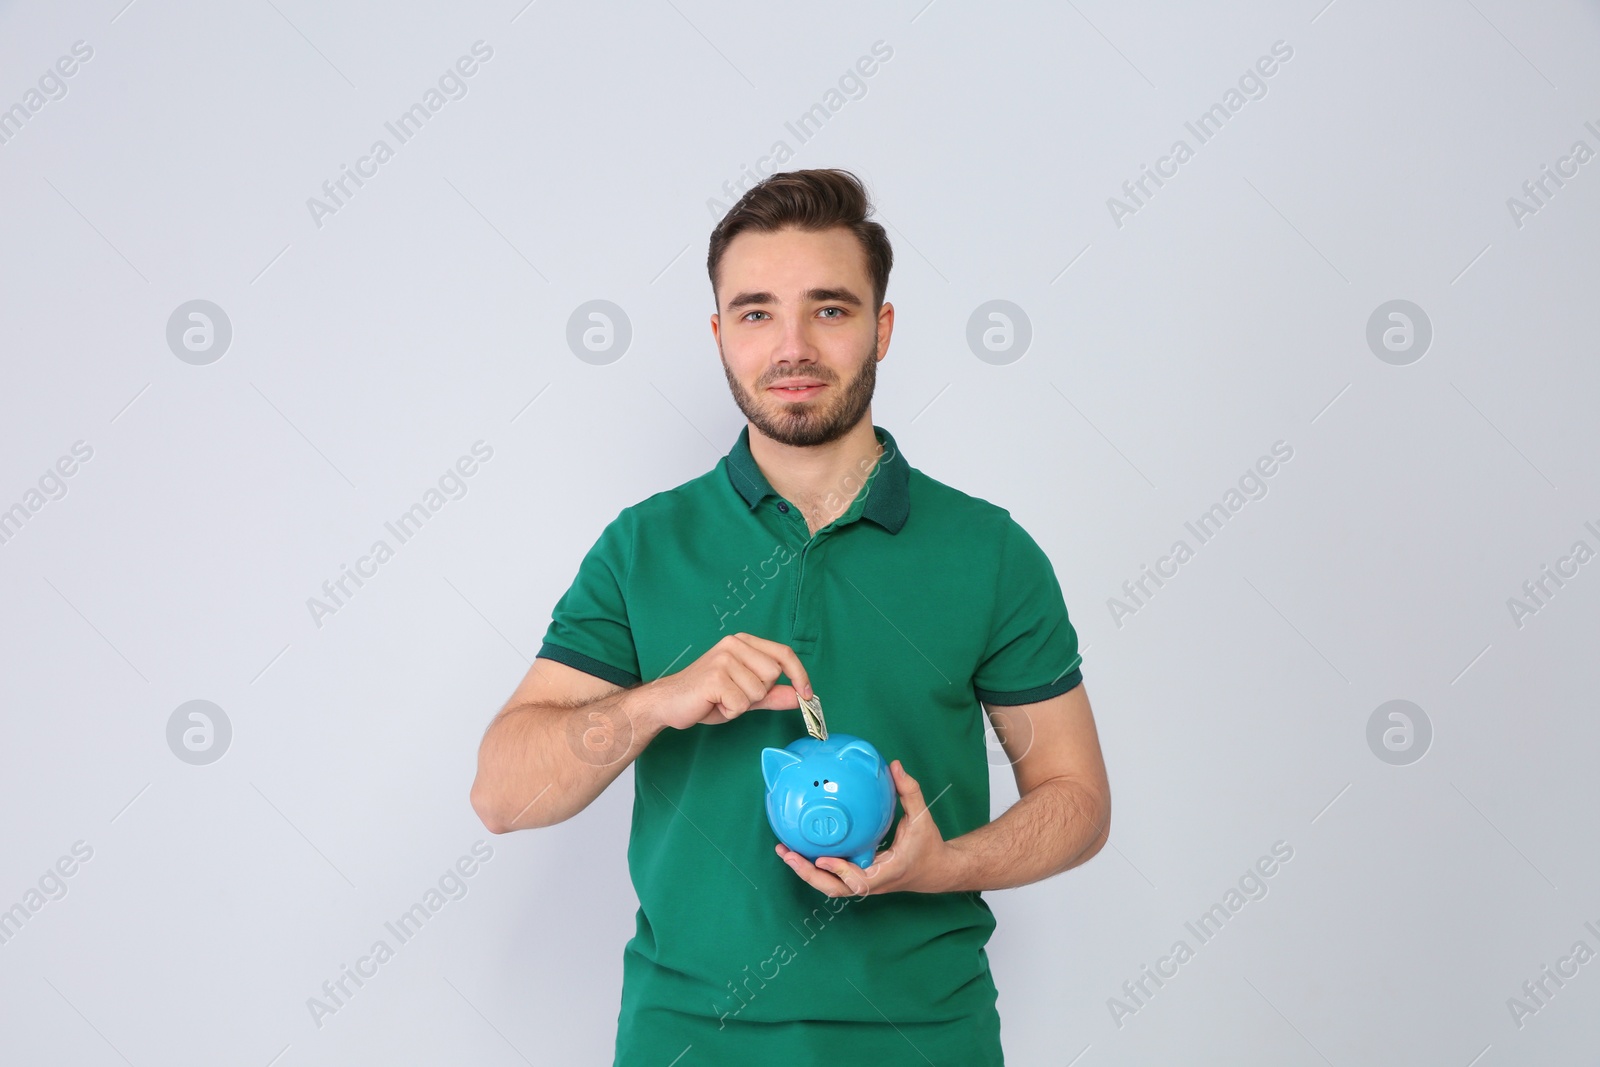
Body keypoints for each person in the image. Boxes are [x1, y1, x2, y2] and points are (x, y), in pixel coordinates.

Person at [470, 168, 1111, 1066]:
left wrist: (944, 866)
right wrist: (656, 701)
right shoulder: (643, 546)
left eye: (831, 309)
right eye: (757, 311)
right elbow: (502, 793)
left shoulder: (989, 552)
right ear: (720, 334)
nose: (793, 346)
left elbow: (1078, 801)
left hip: (925, 1040)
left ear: (882, 327)